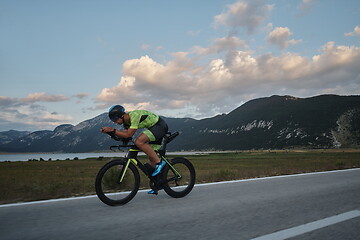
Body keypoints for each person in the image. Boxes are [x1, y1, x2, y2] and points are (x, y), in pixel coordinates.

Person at [100, 105, 168, 194]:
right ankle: (159, 183)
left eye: (115, 119)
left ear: (121, 115)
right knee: (152, 155)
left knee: (139, 141)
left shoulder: (134, 115)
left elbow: (129, 135)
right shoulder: (126, 123)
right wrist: (111, 133)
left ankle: (160, 163)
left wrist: (112, 129)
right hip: (153, 129)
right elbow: (124, 137)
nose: (115, 122)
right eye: (113, 120)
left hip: (159, 126)